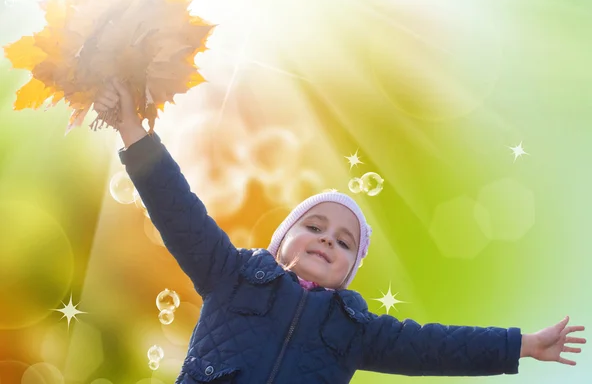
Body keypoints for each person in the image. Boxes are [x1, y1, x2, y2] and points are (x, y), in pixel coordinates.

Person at [94, 79, 586, 383]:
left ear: (351, 270)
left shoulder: (357, 331)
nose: (329, 239)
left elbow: (436, 346)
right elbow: (177, 208)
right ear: (280, 241)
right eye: (314, 225)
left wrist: (520, 344)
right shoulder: (231, 275)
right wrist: (132, 130)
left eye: (345, 242)